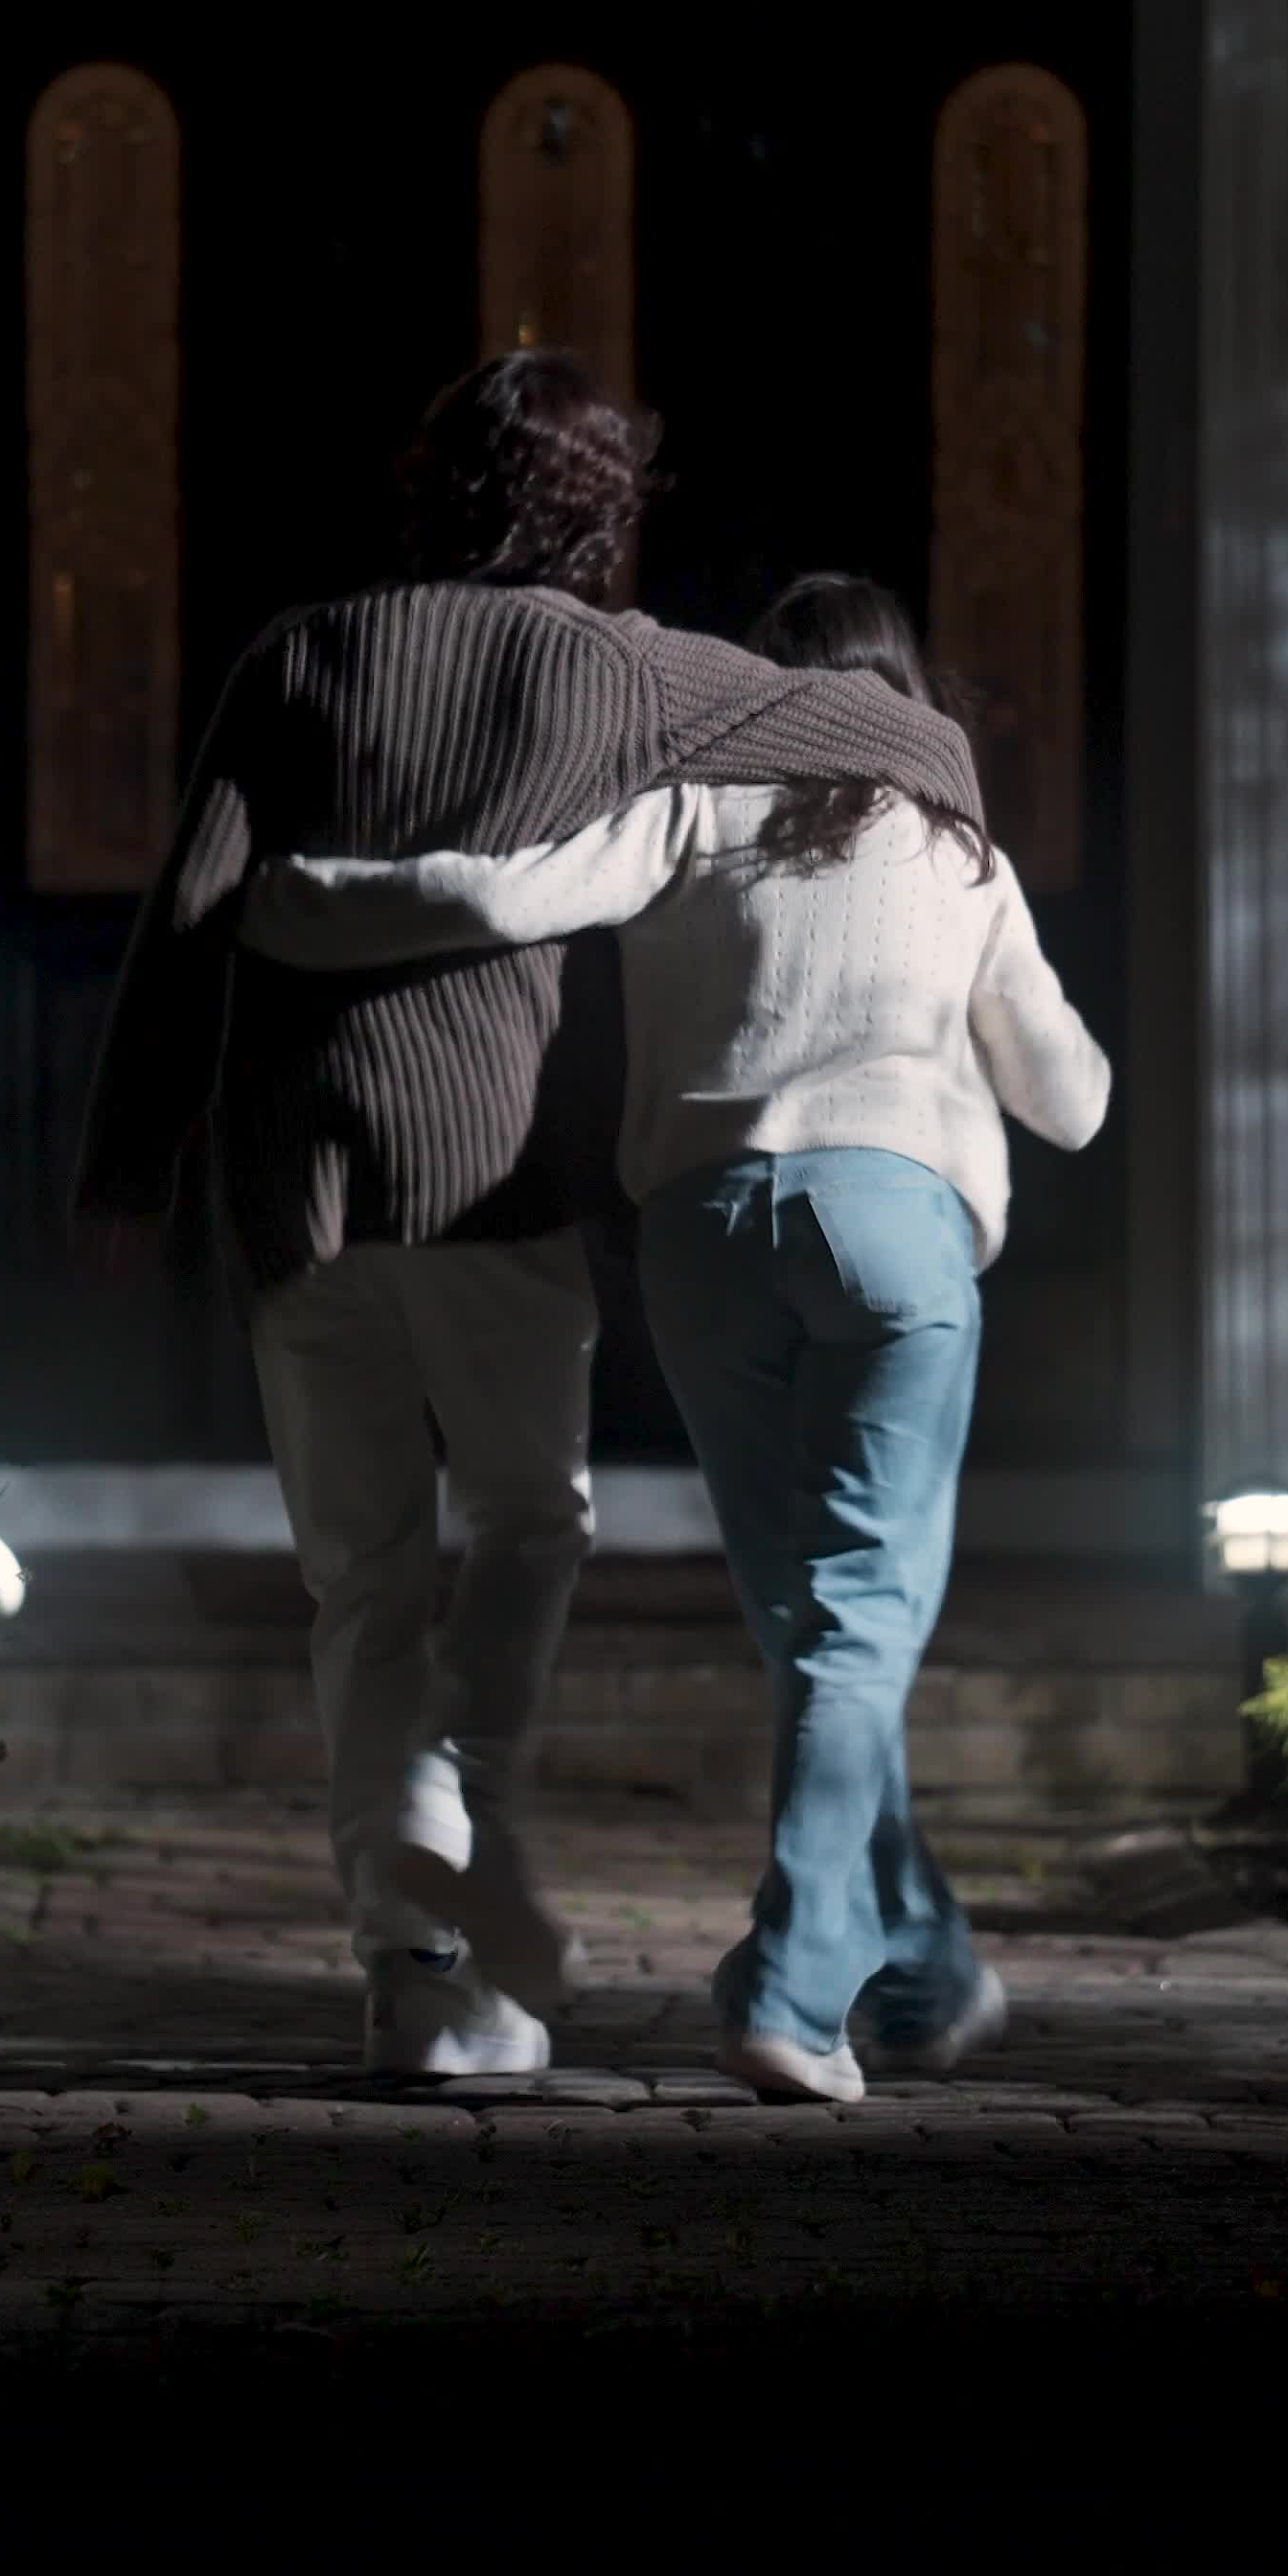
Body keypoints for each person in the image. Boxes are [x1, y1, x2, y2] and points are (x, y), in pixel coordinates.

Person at [72, 365, 988, 2080]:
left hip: (299, 1181)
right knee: (525, 1523)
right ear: (600, 512)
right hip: (494, 1178)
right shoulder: (622, 666)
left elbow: (185, 918)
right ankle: (455, 1847)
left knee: (360, 1578)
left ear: (429, 487)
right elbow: (904, 736)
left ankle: (419, 1965)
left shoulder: (299, 652)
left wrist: (131, 1165)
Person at [244, 570, 1110, 2100]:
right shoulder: (955, 841)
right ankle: (793, 1989)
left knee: (811, 1628)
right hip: (894, 1233)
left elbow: (503, 897)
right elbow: (1073, 1102)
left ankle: (924, 1956)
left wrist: (313, 899)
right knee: (857, 1625)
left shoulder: (696, 808)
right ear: (908, 694)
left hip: (708, 1242)